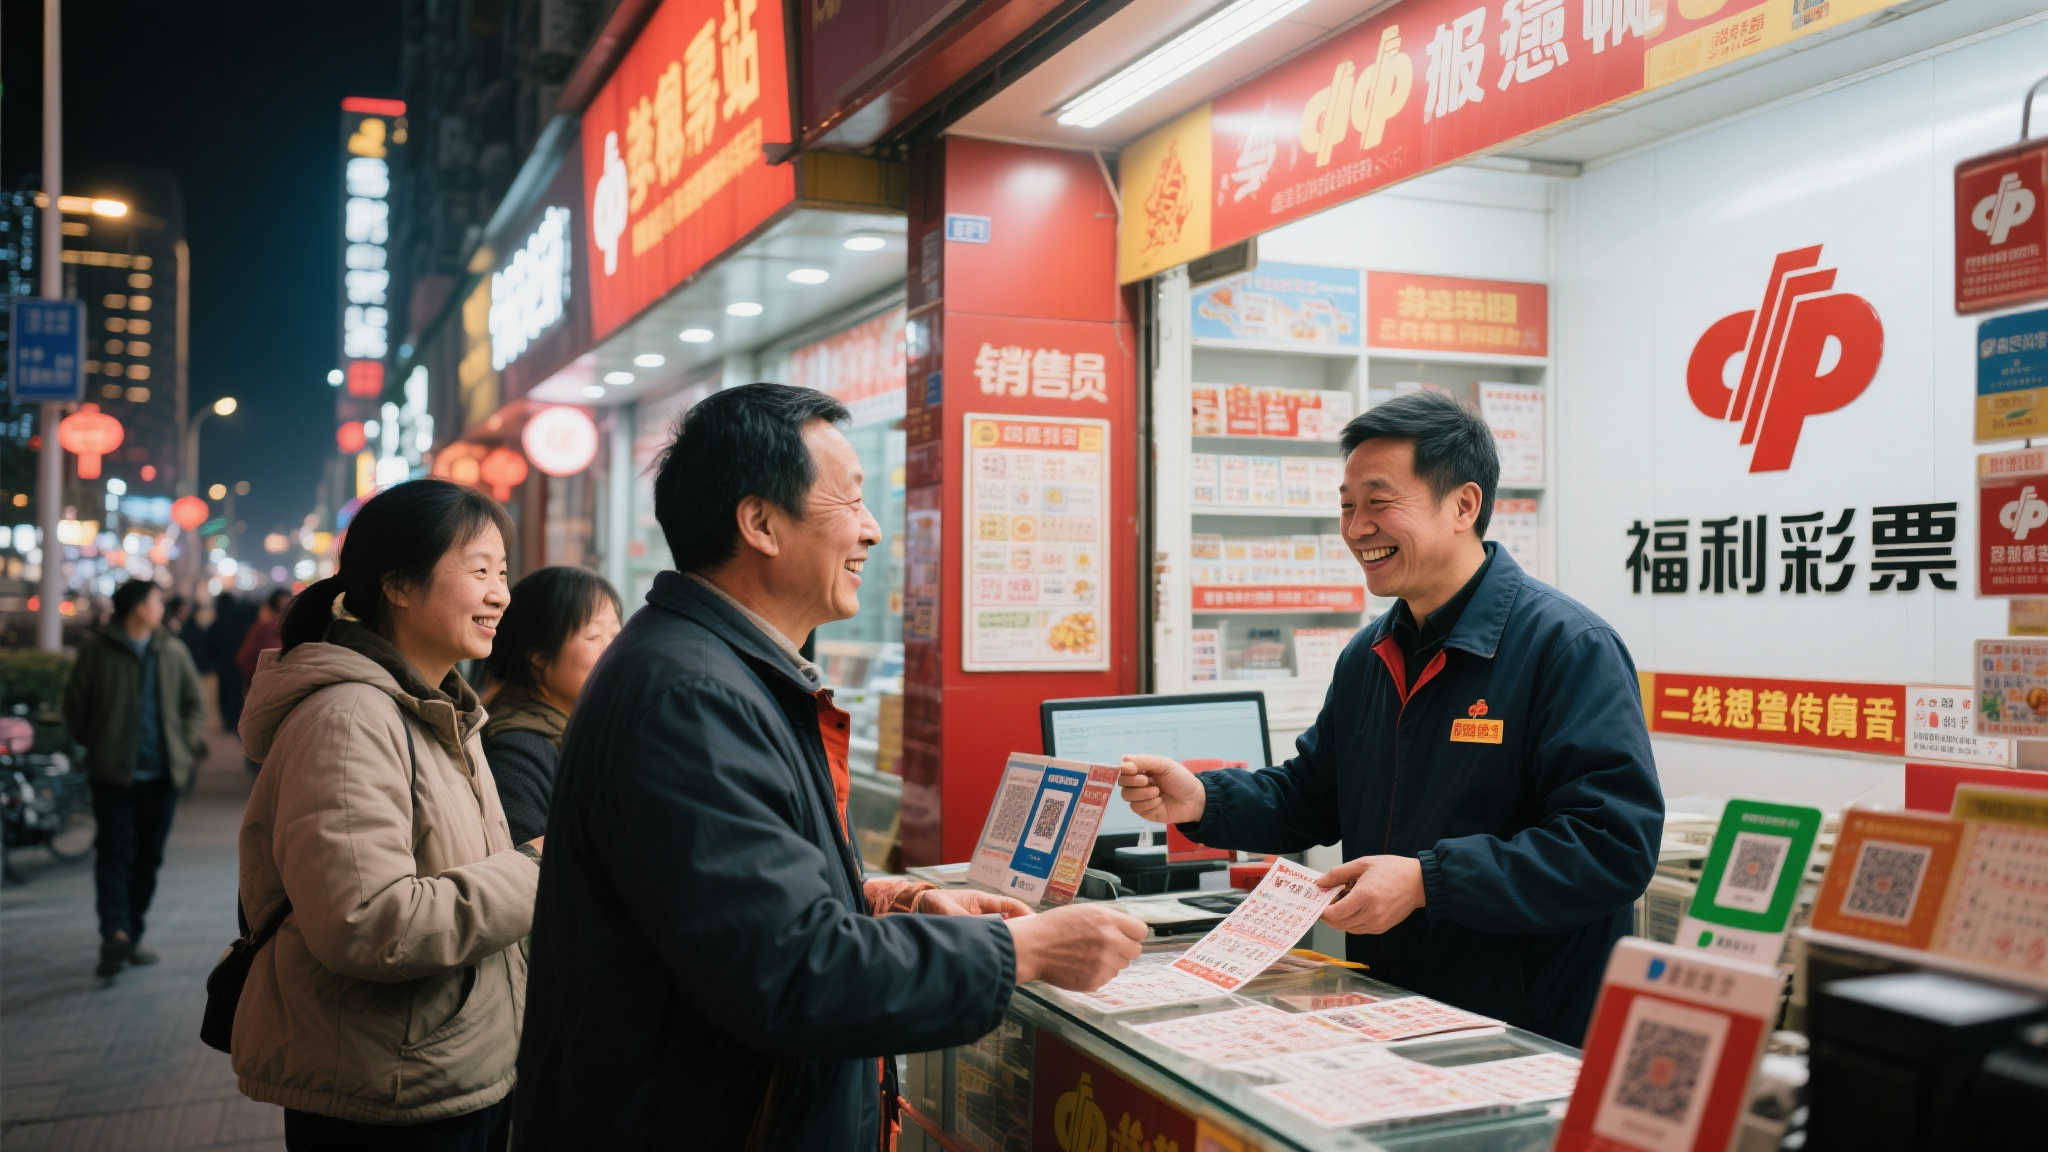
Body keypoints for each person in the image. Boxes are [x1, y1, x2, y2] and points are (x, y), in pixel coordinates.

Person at [512, 384, 1144, 1150]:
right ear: (761, 523)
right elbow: (792, 969)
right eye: (849, 501)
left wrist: (884, 900)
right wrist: (1025, 950)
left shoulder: (715, 669)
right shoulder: (689, 696)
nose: (873, 530)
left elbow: (729, 908)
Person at [1119, 392, 1664, 1044]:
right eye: (1347, 506)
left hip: (1529, 1030)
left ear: (1464, 505)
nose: (1355, 528)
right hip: (1391, 1012)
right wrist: (1203, 799)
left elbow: (1613, 847)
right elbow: (1312, 797)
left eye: (1379, 503)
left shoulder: (1566, 646)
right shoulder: (1369, 655)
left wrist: (1428, 881)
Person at [233, 479, 542, 1151]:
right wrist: (538, 872)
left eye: (504, 572)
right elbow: (369, 923)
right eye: (480, 571)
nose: (501, 594)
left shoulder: (442, 710)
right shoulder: (349, 719)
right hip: (388, 1097)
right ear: (399, 585)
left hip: (446, 1069)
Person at [61, 578, 207, 980]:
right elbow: (75, 707)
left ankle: (132, 933)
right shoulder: (97, 651)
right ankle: (116, 933)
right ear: (139, 607)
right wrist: (97, 745)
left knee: (149, 858)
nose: (162, 608)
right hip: (113, 776)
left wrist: (185, 744)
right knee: (113, 856)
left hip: (161, 775)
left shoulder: (172, 650)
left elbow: (194, 705)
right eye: (157, 601)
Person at [480, 566, 622, 844]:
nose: (614, 652)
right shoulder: (518, 750)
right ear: (539, 656)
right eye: (594, 637)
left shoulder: (587, 731)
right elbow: (527, 869)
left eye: (616, 636)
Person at [207, 591, 249, 733]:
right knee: (236, 693)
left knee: (224, 692)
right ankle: (235, 719)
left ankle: (226, 720)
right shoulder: (240, 622)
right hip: (237, 665)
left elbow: (210, 644)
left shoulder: (217, 623)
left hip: (223, 665)